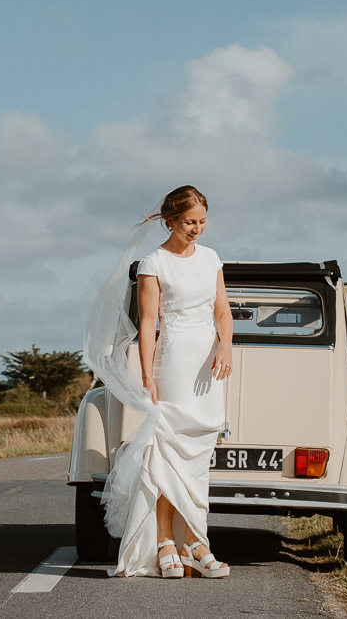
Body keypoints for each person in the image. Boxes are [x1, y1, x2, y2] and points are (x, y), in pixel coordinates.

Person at [91, 185, 234, 578]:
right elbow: (149, 323)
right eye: (189, 222)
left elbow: (222, 311)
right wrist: (146, 374)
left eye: (202, 221)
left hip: (209, 367)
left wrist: (226, 346)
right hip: (172, 363)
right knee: (167, 452)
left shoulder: (211, 258)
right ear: (170, 221)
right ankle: (165, 541)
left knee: (199, 455)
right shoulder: (154, 263)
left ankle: (196, 542)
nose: (197, 229)